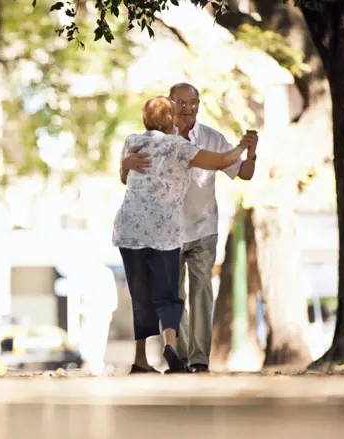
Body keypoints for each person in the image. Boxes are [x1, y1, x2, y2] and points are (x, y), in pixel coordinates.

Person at [122, 83, 258, 373]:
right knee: (174, 295)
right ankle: (179, 355)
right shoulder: (162, 140)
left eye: (193, 102)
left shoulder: (210, 137)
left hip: (202, 226)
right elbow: (128, 176)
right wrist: (125, 164)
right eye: (181, 103)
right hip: (168, 231)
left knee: (201, 292)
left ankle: (198, 359)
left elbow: (241, 173)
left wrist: (251, 154)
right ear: (170, 105)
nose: (188, 108)